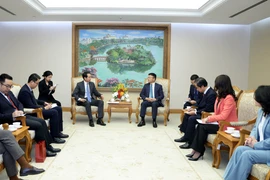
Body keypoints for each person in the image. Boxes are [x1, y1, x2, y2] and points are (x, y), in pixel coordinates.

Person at [0, 73, 59, 157]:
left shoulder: (9, 93)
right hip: (11, 121)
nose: (9, 88)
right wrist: (12, 115)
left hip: (21, 116)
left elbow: (19, 103)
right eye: (7, 86)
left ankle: (48, 146)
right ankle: (43, 151)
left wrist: (20, 109)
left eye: (10, 86)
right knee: (38, 125)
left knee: (41, 121)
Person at [186, 74, 238, 161]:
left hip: (227, 126)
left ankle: (198, 151)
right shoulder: (220, 97)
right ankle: (196, 150)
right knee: (200, 125)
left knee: (202, 127)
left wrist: (209, 119)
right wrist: (207, 119)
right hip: (219, 123)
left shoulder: (229, 98)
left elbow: (224, 116)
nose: (215, 86)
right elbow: (217, 113)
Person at [223, 85, 270, 180]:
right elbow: (255, 127)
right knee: (239, 150)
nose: (254, 99)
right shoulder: (262, 111)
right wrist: (251, 138)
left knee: (247, 155)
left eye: (256, 97)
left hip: (267, 150)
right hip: (260, 146)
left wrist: (256, 144)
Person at [18, 73, 68, 144]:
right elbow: (30, 106)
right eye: (37, 83)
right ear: (32, 82)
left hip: (38, 108)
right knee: (54, 112)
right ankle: (54, 137)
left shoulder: (28, 89)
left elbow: (34, 100)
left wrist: (44, 102)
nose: (37, 85)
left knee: (58, 108)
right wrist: (44, 107)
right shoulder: (24, 91)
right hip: (33, 112)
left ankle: (58, 132)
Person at [175, 77, 216, 149]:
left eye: (197, 88)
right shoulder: (205, 91)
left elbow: (209, 108)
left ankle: (190, 142)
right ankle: (186, 137)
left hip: (206, 114)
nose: (197, 90)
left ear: (202, 86)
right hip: (202, 111)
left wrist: (196, 111)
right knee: (187, 115)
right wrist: (193, 109)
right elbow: (200, 103)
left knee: (192, 119)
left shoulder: (211, 94)